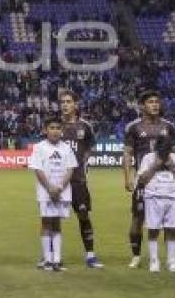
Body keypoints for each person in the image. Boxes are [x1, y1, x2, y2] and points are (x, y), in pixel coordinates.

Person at [123, 90, 175, 269]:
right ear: (142, 106)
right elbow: (127, 153)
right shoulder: (134, 127)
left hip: (164, 180)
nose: (155, 104)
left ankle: (169, 259)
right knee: (137, 219)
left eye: (157, 101)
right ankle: (136, 255)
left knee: (168, 221)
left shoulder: (169, 126)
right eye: (150, 102)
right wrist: (127, 177)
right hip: (144, 181)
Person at [59, 90, 104, 268]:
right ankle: (51, 255)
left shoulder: (85, 126)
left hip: (78, 179)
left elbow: (91, 146)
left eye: (69, 101)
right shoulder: (55, 125)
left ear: (75, 104)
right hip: (58, 180)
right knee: (52, 218)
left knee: (83, 215)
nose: (65, 105)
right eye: (62, 102)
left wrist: (84, 161)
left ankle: (90, 255)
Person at [30, 115, 78, 272]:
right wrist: (50, 187)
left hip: (62, 192)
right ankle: (47, 259)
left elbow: (70, 169)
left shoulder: (66, 148)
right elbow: (38, 169)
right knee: (46, 222)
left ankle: (56, 259)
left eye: (58, 128)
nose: (55, 131)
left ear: (62, 131)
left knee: (57, 223)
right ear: (45, 130)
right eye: (52, 128)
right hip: (45, 192)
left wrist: (60, 187)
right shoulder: (39, 147)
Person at [137, 134, 175, 273]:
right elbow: (142, 180)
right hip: (153, 198)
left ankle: (172, 261)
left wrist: (173, 167)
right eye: (162, 147)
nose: (164, 151)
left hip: (172, 198)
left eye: (167, 147)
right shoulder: (148, 158)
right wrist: (154, 166)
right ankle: (154, 261)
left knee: (172, 229)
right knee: (153, 229)